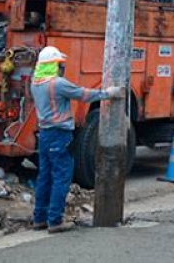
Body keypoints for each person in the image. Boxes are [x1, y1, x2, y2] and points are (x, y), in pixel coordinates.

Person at [31, 46, 112, 233]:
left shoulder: (35, 83)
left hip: (44, 134)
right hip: (59, 134)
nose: (62, 67)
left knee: (44, 176)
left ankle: (39, 219)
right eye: (59, 64)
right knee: (61, 177)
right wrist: (109, 93)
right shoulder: (57, 84)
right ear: (53, 65)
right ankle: (55, 220)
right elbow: (83, 94)